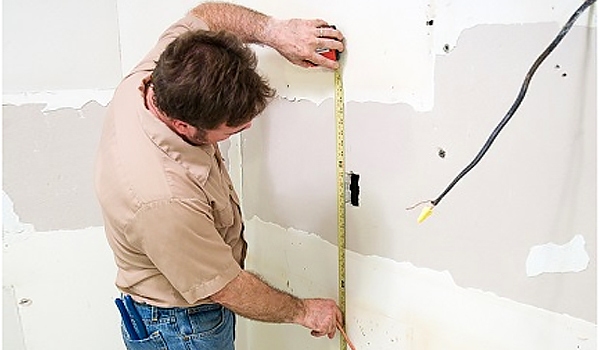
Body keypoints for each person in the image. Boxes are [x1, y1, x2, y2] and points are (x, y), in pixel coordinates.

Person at [94, 2, 345, 349]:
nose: (245, 129)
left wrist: (275, 32)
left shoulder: (156, 78)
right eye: (230, 131)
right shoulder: (163, 198)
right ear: (184, 126)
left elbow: (208, 14)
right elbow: (225, 286)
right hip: (181, 328)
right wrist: (303, 311)